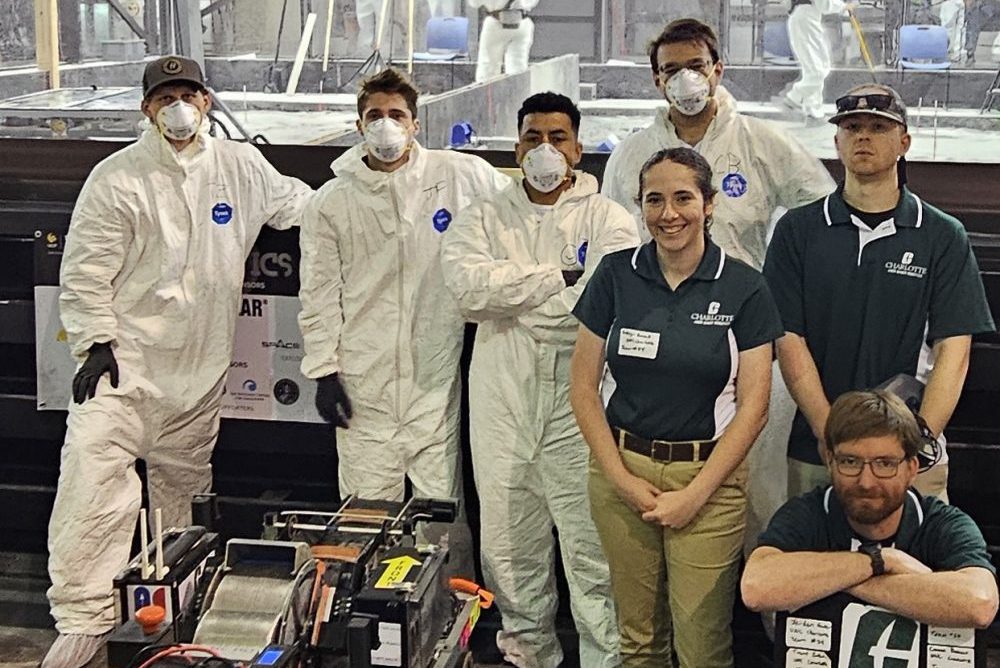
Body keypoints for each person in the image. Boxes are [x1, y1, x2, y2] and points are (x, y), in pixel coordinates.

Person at [43, 56, 312, 668]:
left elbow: (300, 206)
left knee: (181, 496)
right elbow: (85, 270)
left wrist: (361, 189)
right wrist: (95, 341)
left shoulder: (240, 166)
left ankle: (174, 609)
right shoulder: (118, 177)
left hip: (200, 371)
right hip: (124, 369)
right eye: (165, 97)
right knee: (91, 487)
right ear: (146, 108)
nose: (179, 106)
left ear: (208, 101)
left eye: (188, 93)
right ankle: (85, 619)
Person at [441, 92, 636, 668]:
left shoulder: (610, 218)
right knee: (507, 544)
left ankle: (606, 658)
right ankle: (529, 656)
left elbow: (594, 307)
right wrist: (558, 274)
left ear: (578, 147)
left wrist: (516, 296)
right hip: (501, 397)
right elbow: (467, 292)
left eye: (557, 137)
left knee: (592, 548)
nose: (545, 150)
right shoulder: (484, 214)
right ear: (516, 146)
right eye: (532, 138)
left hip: (581, 399)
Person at [570, 147, 783, 667]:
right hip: (623, 475)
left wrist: (695, 495)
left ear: (709, 204)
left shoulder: (744, 287)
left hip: (708, 481)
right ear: (640, 206)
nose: (669, 214)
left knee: (701, 645)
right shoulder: (615, 275)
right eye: (655, 200)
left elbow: (754, 409)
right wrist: (621, 479)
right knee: (638, 640)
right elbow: (581, 388)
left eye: (684, 198)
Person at [297, 68, 508, 578]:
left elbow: (520, 204)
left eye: (396, 116)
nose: (386, 126)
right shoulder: (333, 202)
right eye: (375, 116)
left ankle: (452, 614)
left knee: (440, 510)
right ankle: (365, 619)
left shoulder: (457, 177)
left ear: (415, 124)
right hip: (361, 383)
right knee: (366, 513)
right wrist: (323, 371)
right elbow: (319, 293)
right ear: (358, 125)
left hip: (432, 378)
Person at [763, 83, 995, 501]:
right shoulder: (797, 231)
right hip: (818, 451)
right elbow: (788, 340)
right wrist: (828, 430)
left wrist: (917, 440)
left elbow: (954, 351)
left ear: (904, 142)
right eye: (852, 127)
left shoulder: (942, 235)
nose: (863, 136)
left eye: (878, 127)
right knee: (814, 563)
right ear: (836, 141)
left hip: (911, 458)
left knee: (914, 565)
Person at [741, 390, 998, 629]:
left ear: (911, 468)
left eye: (885, 464)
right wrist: (881, 560)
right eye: (850, 462)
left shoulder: (941, 523)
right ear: (830, 463)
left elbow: (980, 603)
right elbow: (756, 588)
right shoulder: (807, 513)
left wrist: (839, 582)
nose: (866, 481)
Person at [601, 18, 835, 268]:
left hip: (739, 298)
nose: (685, 78)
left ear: (718, 70)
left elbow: (823, 207)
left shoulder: (762, 142)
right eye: (671, 70)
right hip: (650, 297)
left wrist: (786, 270)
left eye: (696, 66)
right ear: (658, 80)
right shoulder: (630, 154)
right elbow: (606, 234)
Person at [784, 0, 855, 119]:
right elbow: (824, 4)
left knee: (814, 67)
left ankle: (812, 107)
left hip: (805, 17)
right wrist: (843, 6)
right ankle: (795, 96)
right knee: (818, 68)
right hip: (806, 19)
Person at [469, 0, 539, 81]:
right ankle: (516, 90)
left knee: (488, 68)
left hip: (496, 23)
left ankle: (487, 92)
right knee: (518, 67)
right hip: (522, 22)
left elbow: (474, 3)